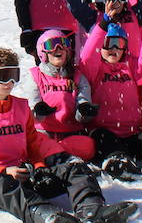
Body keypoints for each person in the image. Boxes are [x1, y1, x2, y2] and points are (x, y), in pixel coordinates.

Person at [0, 47, 138, 223]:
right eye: (4, 76)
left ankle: (92, 210)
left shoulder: (21, 107)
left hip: (22, 174)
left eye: (14, 75)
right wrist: (3, 171)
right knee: (2, 184)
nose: (10, 83)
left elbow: (32, 145)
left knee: (74, 168)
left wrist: (39, 167)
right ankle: (48, 217)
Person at [77, 23, 142, 181]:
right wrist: (102, 25)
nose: (114, 48)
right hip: (103, 129)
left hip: (130, 131)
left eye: (120, 44)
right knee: (105, 140)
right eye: (108, 43)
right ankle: (117, 162)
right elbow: (88, 56)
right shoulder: (94, 68)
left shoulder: (130, 65)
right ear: (99, 46)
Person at [17, 28, 97, 161]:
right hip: (44, 132)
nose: (58, 49)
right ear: (43, 52)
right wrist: (38, 110)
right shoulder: (36, 76)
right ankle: (60, 154)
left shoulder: (77, 77)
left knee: (88, 146)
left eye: (62, 44)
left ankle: (57, 153)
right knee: (33, 142)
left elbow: (83, 100)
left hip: (71, 133)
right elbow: (31, 108)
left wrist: (83, 110)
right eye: (51, 45)